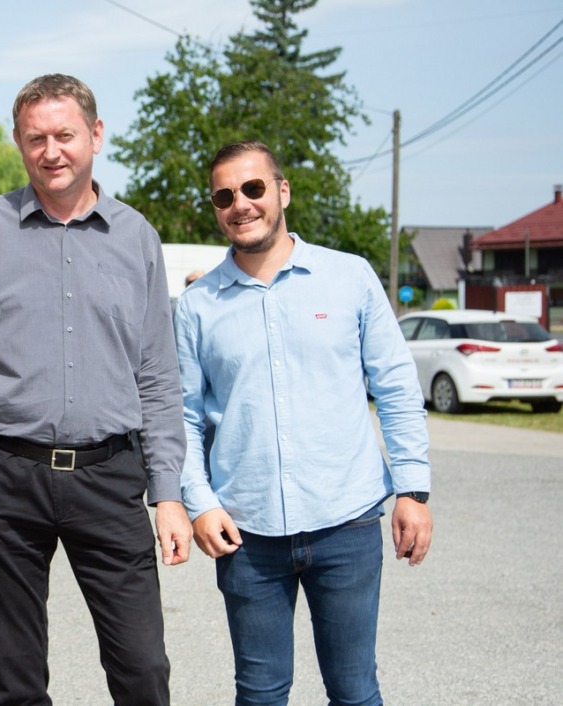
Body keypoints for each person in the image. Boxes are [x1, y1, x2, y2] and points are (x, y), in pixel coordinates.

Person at [0, 73, 192, 706]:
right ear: (19, 143)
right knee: (16, 677)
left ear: (96, 135)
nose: (51, 152)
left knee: (143, 669)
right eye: (36, 138)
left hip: (109, 475)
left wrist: (168, 494)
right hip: (3, 475)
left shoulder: (136, 237)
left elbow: (159, 375)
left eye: (65, 135)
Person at [173, 140, 434, 706]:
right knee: (260, 695)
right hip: (246, 532)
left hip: (347, 522)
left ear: (283, 191)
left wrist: (413, 490)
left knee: (355, 691)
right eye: (224, 196)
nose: (240, 204)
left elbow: (395, 386)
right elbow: (183, 416)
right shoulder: (197, 307)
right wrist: (199, 502)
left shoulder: (349, 277)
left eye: (253, 188)